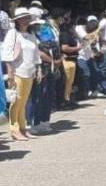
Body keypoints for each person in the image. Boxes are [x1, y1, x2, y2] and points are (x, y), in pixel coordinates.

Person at [1, 8, 42, 141]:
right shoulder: (13, 33)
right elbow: (7, 52)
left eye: (27, 18)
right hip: (17, 72)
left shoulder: (31, 35)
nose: (25, 21)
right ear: (17, 20)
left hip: (29, 72)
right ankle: (15, 129)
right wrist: (10, 71)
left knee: (23, 102)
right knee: (16, 102)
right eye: (22, 18)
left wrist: (38, 69)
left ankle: (23, 128)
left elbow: (36, 53)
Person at [26, 12, 62, 135]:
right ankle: (33, 123)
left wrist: (56, 61)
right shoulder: (29, 36)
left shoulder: (44, 33)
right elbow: (38, 53)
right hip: (38, 69)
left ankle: (44, 121)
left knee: (46, 95)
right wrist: (54, 61)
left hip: (48, 69)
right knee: (37, 97)